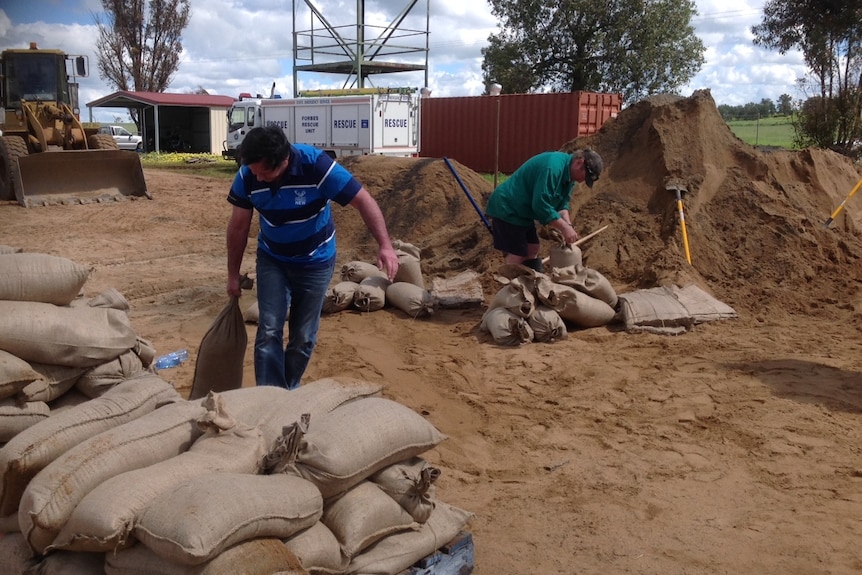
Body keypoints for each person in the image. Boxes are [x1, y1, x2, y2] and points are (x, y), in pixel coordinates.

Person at [226, 126, 399, 390]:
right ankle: (269, 397)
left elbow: (363, 200)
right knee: (269, 328)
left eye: (264, 172)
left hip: (315, 261)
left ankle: (288, 388)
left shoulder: (317, 166)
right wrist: (232, 275)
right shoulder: (247, 175)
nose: (257, 178)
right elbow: (238, 226)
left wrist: (385, 245)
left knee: (303, 336)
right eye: (253, 171)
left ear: (284, 161)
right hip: (273, 259)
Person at [485, 148, 603, 272]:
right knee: (518, 252)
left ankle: (526, 282)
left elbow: (563, 206)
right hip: (508, 207)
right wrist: (563, 228)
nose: (582, 181)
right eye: (585, 177)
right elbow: (540, 205)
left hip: (523, 212)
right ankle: (507, 285)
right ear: (579, 162)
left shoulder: (569, 177)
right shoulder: (552, 168)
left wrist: (568, 225)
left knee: (533, 248)